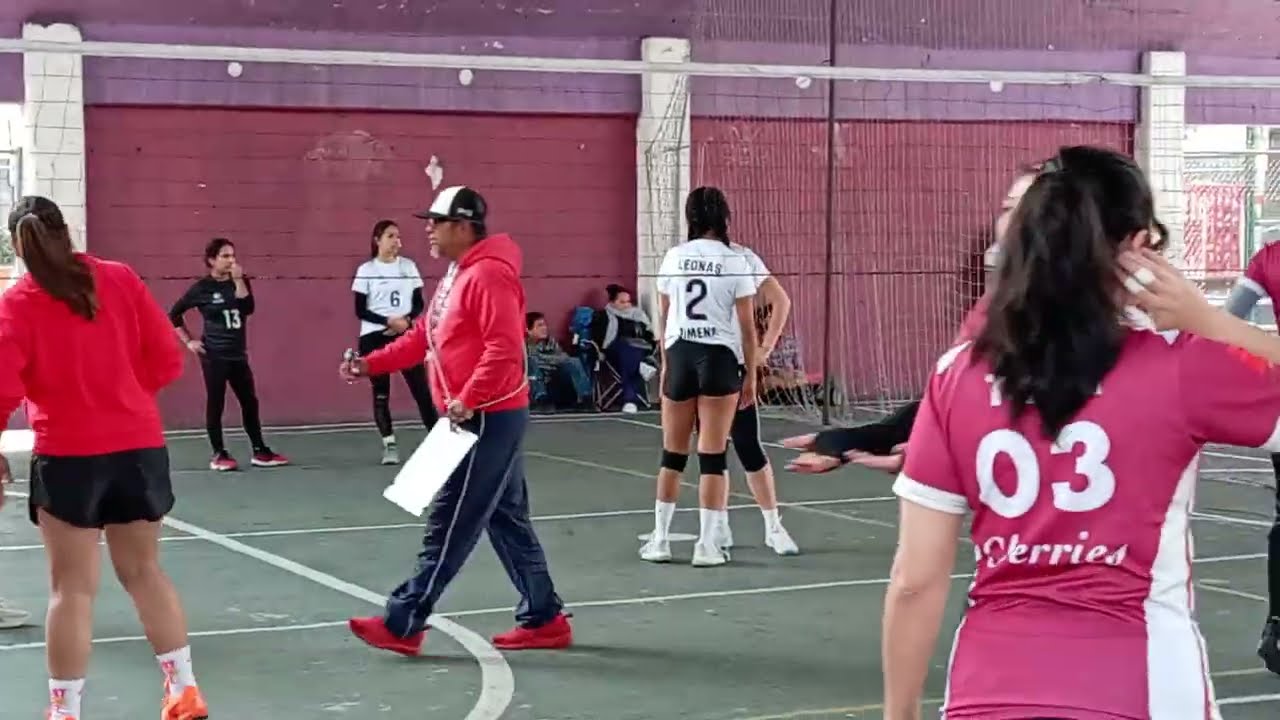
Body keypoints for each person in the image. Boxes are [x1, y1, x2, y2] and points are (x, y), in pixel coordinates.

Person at [877, 146, 1264, 719]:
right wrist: (1213, 322)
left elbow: (915, 579)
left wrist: (900, 712)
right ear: (1139, 247)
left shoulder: (957, 374)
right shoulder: (1185, 365)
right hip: (1143, 684)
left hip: (991, 688)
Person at [0, 196, 209, 719]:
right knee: (144, 572)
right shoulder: (119, 278)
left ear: (18, 248)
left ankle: (65, 712)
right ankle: (184, 690)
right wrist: (126, 397)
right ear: (66, 231)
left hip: (68, 456)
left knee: (71, 590)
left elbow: (2, 389)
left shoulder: (17, 303)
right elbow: (167, 359)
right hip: (138, 448)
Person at [340, 185, 572, 653]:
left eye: (436, 222)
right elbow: (423, 336)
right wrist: (370, 364)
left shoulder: (488, 275)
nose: (427, 230)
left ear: (463, 227)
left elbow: (504, 348)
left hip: (485, 416)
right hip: (472, 413)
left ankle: (403, 622)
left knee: (451, 519)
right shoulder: (456, 274)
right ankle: (544, 615)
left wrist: (468, 398)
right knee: (505, 517)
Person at [782, 162, 1043, 475]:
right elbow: (956, 396)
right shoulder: (993, 314)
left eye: (1027, 211)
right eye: (1007, 208)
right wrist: (875, 437)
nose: (1008, 223)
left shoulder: (1079, 333)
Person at [641, 186, 757, 567]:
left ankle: (660, 540)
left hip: (680, 354)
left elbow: (665, 318)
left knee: (672, 454)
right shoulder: (735, 260)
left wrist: (666, 366)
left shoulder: (675, 256)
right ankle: (706, 545)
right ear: (724, 217)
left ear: (690, 217)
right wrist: (751, 375)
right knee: (712, 454)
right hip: (719, 357)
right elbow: (747, 328)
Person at [707, 241, 800, 556]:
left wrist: (765, 348)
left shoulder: (742, 256)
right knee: (713, 450)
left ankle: (773, 526)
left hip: (736, 363)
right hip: (703, 364)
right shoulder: (686, 257)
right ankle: (719, 524)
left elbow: (780, 300)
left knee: (747, 445)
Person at [169, 238, 288, 472]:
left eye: (233, 255)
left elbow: (247, 308)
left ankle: (259, 450)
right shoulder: (202, 288)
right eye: (225, 256)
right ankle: (219, 453)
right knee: (216, 402)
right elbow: (174, 314)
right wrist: (189, 341)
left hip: (237, 354)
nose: (231, 260)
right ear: (212, 260)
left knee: (249, 401)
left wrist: (239, 281)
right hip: (214, 355)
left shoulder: (240, 281)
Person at [352, 219, 437, 465]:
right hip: (374, 335)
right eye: (390, 236)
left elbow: (419, 303)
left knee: (421, 390)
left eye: (398, 237)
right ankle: (389, 444)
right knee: (381, 393)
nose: (396, 241)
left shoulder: (408, 267)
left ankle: (438, 442)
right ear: (377, 240)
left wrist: (406, 321)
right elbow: (360, 310)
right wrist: (387, 321)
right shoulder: (367, 270)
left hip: (405, 334)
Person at [591, 284, 657, 412]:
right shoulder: (603, 316)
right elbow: (598, 338)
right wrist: (599, 351)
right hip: (614, 350)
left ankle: (630, 400)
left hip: (638, 349)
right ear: (612, 302)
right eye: (622, 302)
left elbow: (649, 337)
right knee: (625, 347)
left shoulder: (638, 315)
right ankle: (643, 366)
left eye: (628, 302)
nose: (627, 305)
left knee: (630, 354)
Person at [526, 311, 592, 407]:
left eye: (544, 325)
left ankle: (585, 398)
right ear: (528, 330)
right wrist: (551, 361)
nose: (544, 328)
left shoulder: (550, 342)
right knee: (532, 362)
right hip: (535, 382)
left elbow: (564, 358)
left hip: (553, 378)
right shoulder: (523, 345)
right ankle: (540, 400)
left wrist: (545, 360)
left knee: (574, 361)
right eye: (540, 326)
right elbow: (529, 360)